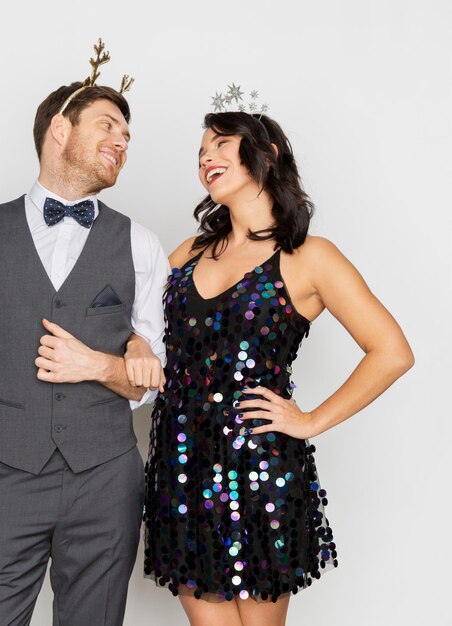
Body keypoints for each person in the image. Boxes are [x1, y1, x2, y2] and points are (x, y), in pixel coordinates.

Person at [124, 110, 414, 626]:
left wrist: (309, 421)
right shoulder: (187, 253)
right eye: (200, 154)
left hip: (260, 471)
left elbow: (392, 352)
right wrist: (135, 345)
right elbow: (137, 327)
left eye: (220, 144)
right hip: (180, 466)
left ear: (267, 152)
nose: (206, 158)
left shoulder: (309, 256)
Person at [0, 63, 168, 625]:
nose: (121, 144)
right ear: (60, 129)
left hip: (106, 483)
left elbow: (151, 377)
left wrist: (102, 362)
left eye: (127, 137)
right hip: (1, 479)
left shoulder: (143, 246)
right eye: (107, 126)